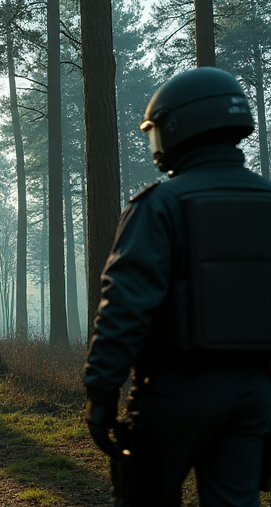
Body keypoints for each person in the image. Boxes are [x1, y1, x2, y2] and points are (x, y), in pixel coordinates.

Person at [83, 67, 271, 506]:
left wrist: (102, 390)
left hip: (175, 390)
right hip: (254, 392)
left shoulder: (162, 204)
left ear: (178, 126)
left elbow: (125, 305)